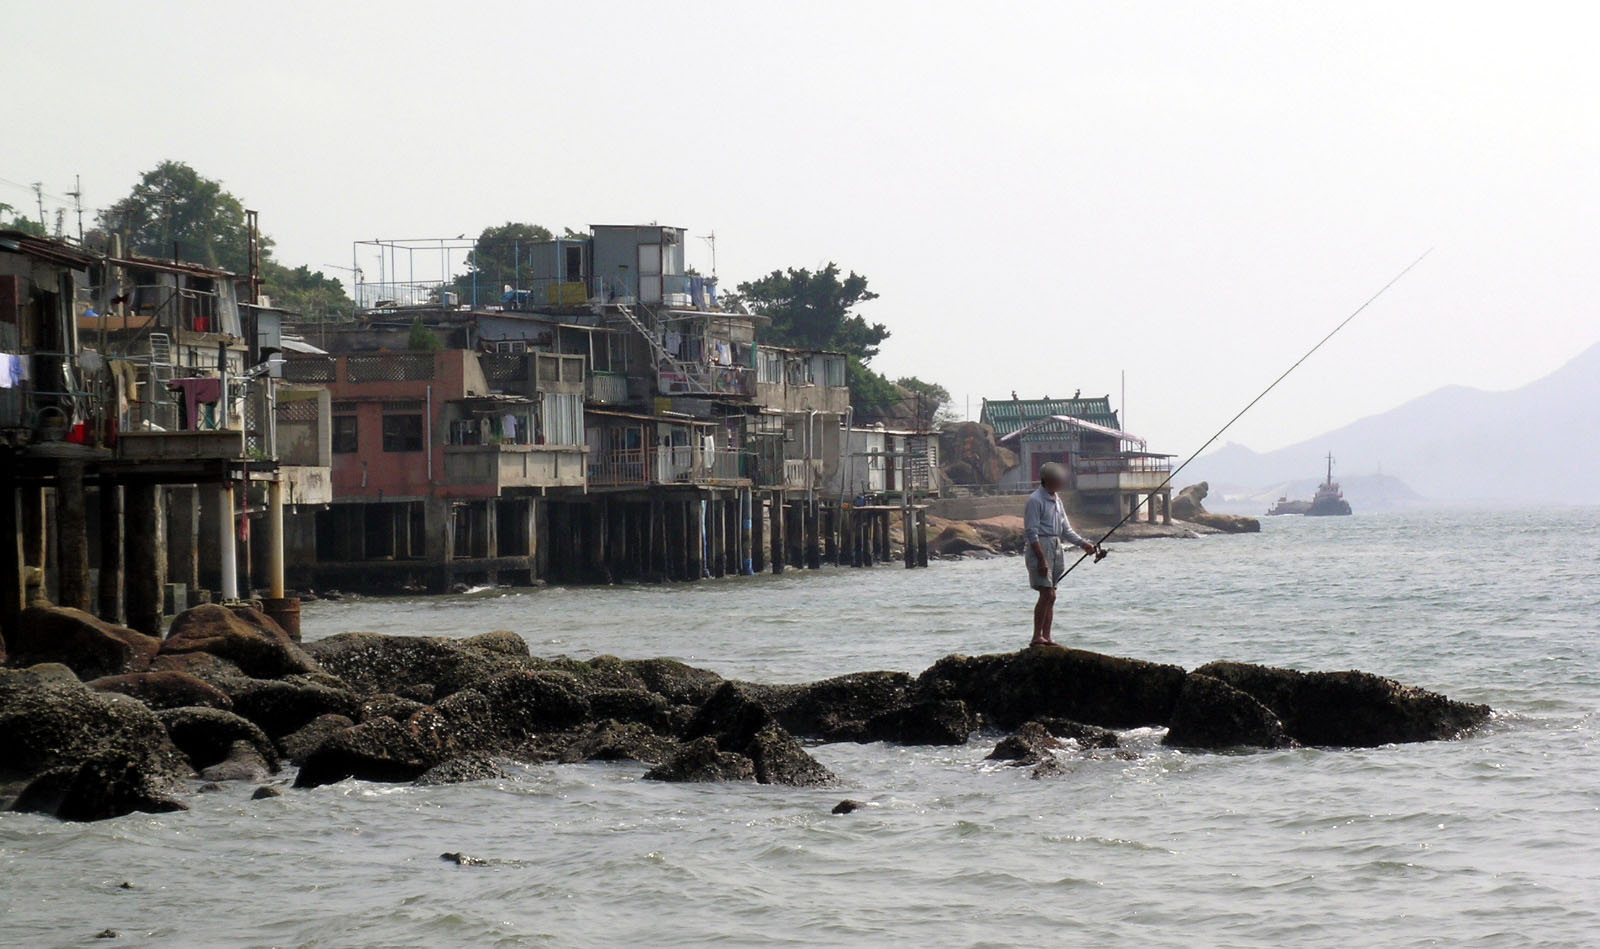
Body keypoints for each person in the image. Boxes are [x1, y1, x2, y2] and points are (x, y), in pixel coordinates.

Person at [1023, 462, 1098, 646]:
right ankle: (1036, 637)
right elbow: (1031, 532)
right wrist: (1041, 559)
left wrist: (1083, 544)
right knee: (1046, 593)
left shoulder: (1057, 499)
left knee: (1052, 595)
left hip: (1056, 545)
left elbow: (1065, 529)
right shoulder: (1035, 500)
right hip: (1041, 546)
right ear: (1047, 480)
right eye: (1058, 480)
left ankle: (1046, 637)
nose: (1061, 483)